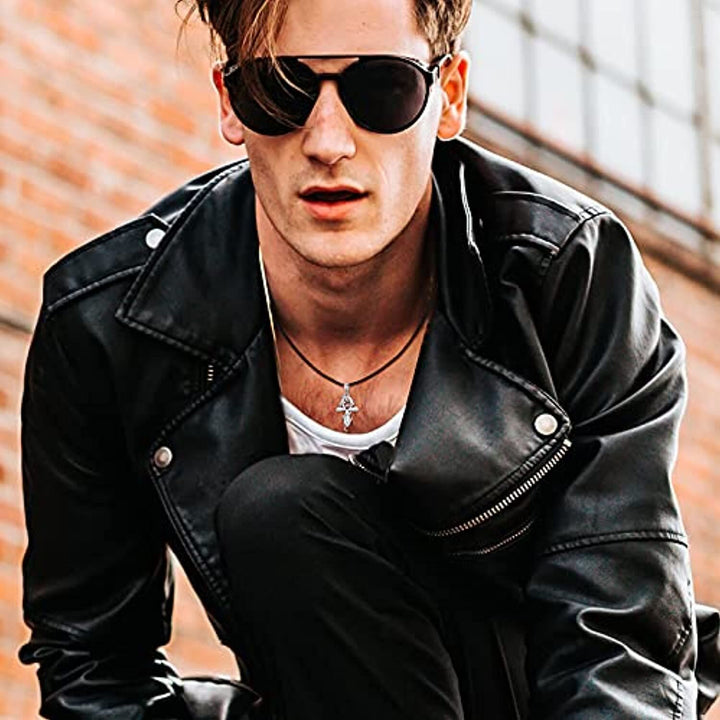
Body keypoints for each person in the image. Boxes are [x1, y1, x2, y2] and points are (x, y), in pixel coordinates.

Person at [18, 0, 720, 717]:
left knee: (283, 509)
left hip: (532, 699)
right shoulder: (109, 327)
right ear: (230, 102)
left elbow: (616, 635)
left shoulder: (564, 276)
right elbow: (95, 666)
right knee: (282, 515)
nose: (327, 141)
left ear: (449, 98)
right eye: (280, 91)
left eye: (383, 88)